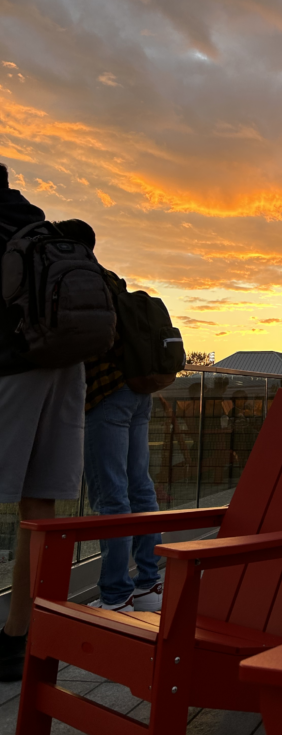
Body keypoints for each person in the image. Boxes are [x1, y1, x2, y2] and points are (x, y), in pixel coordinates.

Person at [0, 169, 87, 681]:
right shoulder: (34, 220)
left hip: (13, 364)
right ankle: (23, 634)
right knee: (39, 507)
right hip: (64, 364)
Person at [54, 219, 163, 614]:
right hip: (137, 391)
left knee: (111, 496)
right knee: (140, 488)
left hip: (104, 396)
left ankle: (117, 594)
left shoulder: (76, 280)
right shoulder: (112, 279)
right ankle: (149, 583)